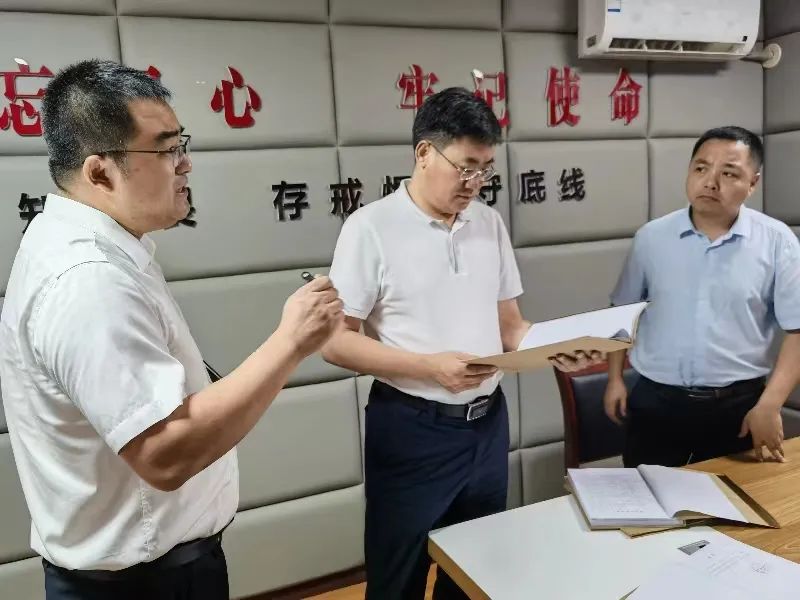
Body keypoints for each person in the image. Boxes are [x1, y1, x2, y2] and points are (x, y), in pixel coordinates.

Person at [0, 59, 342, 600]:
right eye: (165, 150)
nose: (185, 164)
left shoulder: (91, 246)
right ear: (100, 172)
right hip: (141, 584)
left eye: (182, 144)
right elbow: (165, 454)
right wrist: (292, 341)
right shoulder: (89, 280)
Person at [322, 87, 599, 599]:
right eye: (466, 168)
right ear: (424, 153)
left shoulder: (488, 223)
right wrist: (430, 367)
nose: (475, 183)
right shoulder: (370, 228)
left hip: (487, 425)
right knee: (398, 578)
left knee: (475, 572)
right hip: (412, 428)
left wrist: (557, 346)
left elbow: (510, 327)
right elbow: (336, 343)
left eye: (485, 169)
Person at [604, 125, 800, 468]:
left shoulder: (777, 241)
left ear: (753, 183)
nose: (710, 182)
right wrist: (615, 379)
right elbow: (622, 312)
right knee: (647, 498)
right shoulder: (651, 238)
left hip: (738, 407)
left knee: (734, 499)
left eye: (729, 173)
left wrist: (770, 405)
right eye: (701, 168)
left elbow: (797, 330)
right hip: (656, 401)